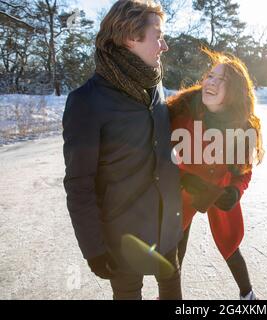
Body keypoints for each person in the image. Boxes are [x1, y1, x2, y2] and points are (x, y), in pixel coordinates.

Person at [62, 0, 183, 300]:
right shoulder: (87, 102)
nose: (164, 45)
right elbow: (79, 185)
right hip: (122, 238)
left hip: (166, 227)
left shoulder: (155, 86)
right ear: (131, 37)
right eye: (158, 35)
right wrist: (93, 249)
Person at [167, 49, 264, 300]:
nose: (211, 82)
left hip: (219, 188)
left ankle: (248, 295)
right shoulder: (181, 110)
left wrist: (234, 191)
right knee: (176, 247)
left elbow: (244, 171)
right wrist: (181, 176)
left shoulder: (242, 127)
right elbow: (157, 151)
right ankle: (169, 297)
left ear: (234, 93)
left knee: (230, 244)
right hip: (186, 187)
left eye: (222, 81)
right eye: (211, 76)